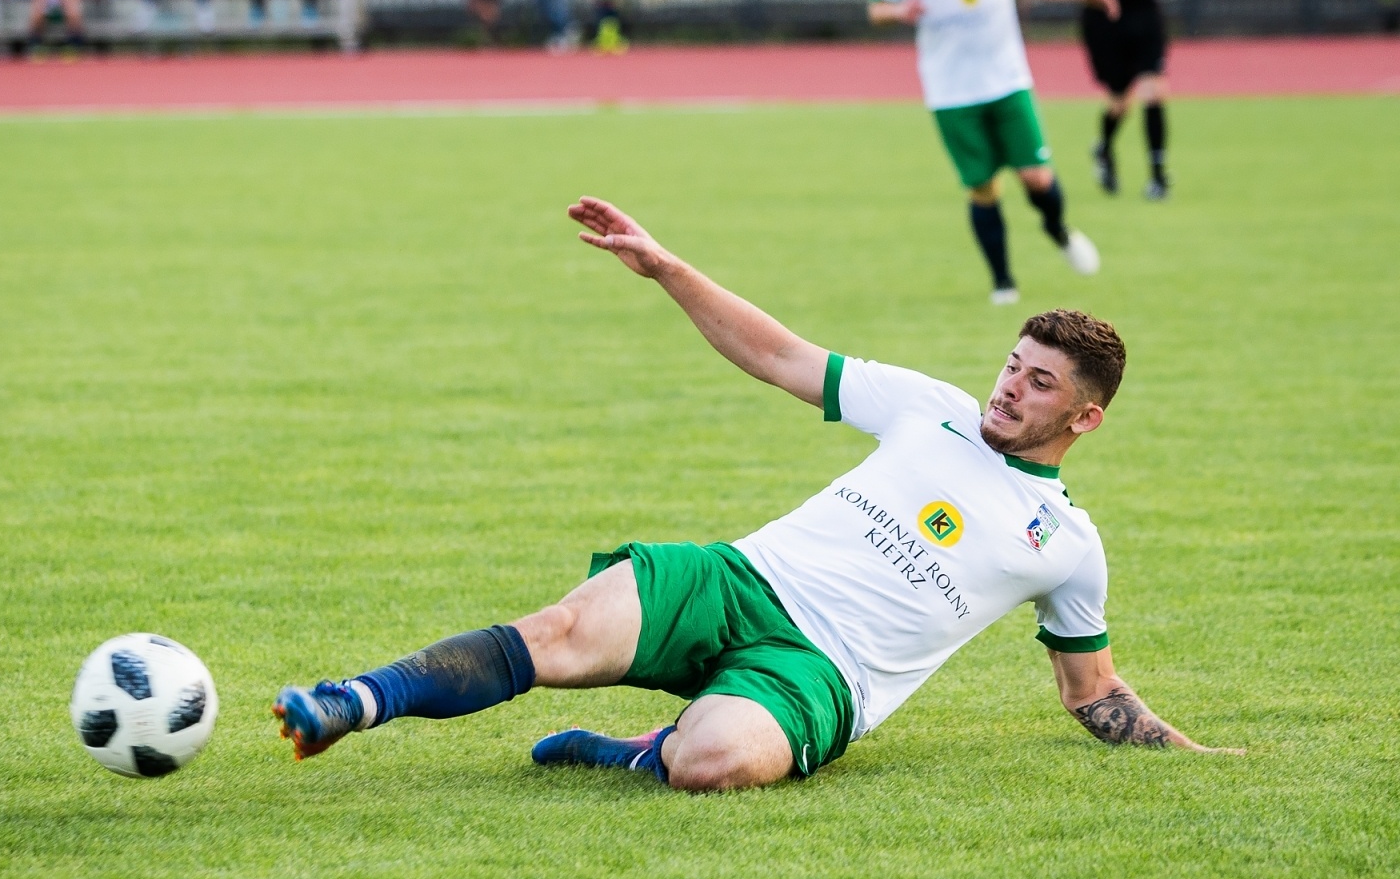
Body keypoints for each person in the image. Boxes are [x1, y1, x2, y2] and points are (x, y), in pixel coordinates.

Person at [272, 197, 1243, 792]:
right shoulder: (929, 408)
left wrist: (1195, 759)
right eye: (1012, 364)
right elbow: (780, 354)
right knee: (558, 632)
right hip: (744, 577)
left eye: (1040, 383)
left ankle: (638, 752)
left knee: (717, 764)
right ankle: (349, 703)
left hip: (826, 671)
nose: (1009, 386)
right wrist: (664, 268)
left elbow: (1093, 691)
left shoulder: (1065, 544)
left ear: (1085, 417)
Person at [867, 0, 1120, 305]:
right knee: (983, 186)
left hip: (1007, 77)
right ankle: (1003, 282)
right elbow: (877, 7)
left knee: (1036, 176)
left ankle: (1057, 229)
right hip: (950, 87)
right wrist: (901, 11)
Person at [1058, 0, 1180, 200]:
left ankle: (1158, 176)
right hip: (1104, 19)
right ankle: (1104, 149)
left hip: (1144, 12)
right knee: (1120, 100)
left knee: (1154, 90)